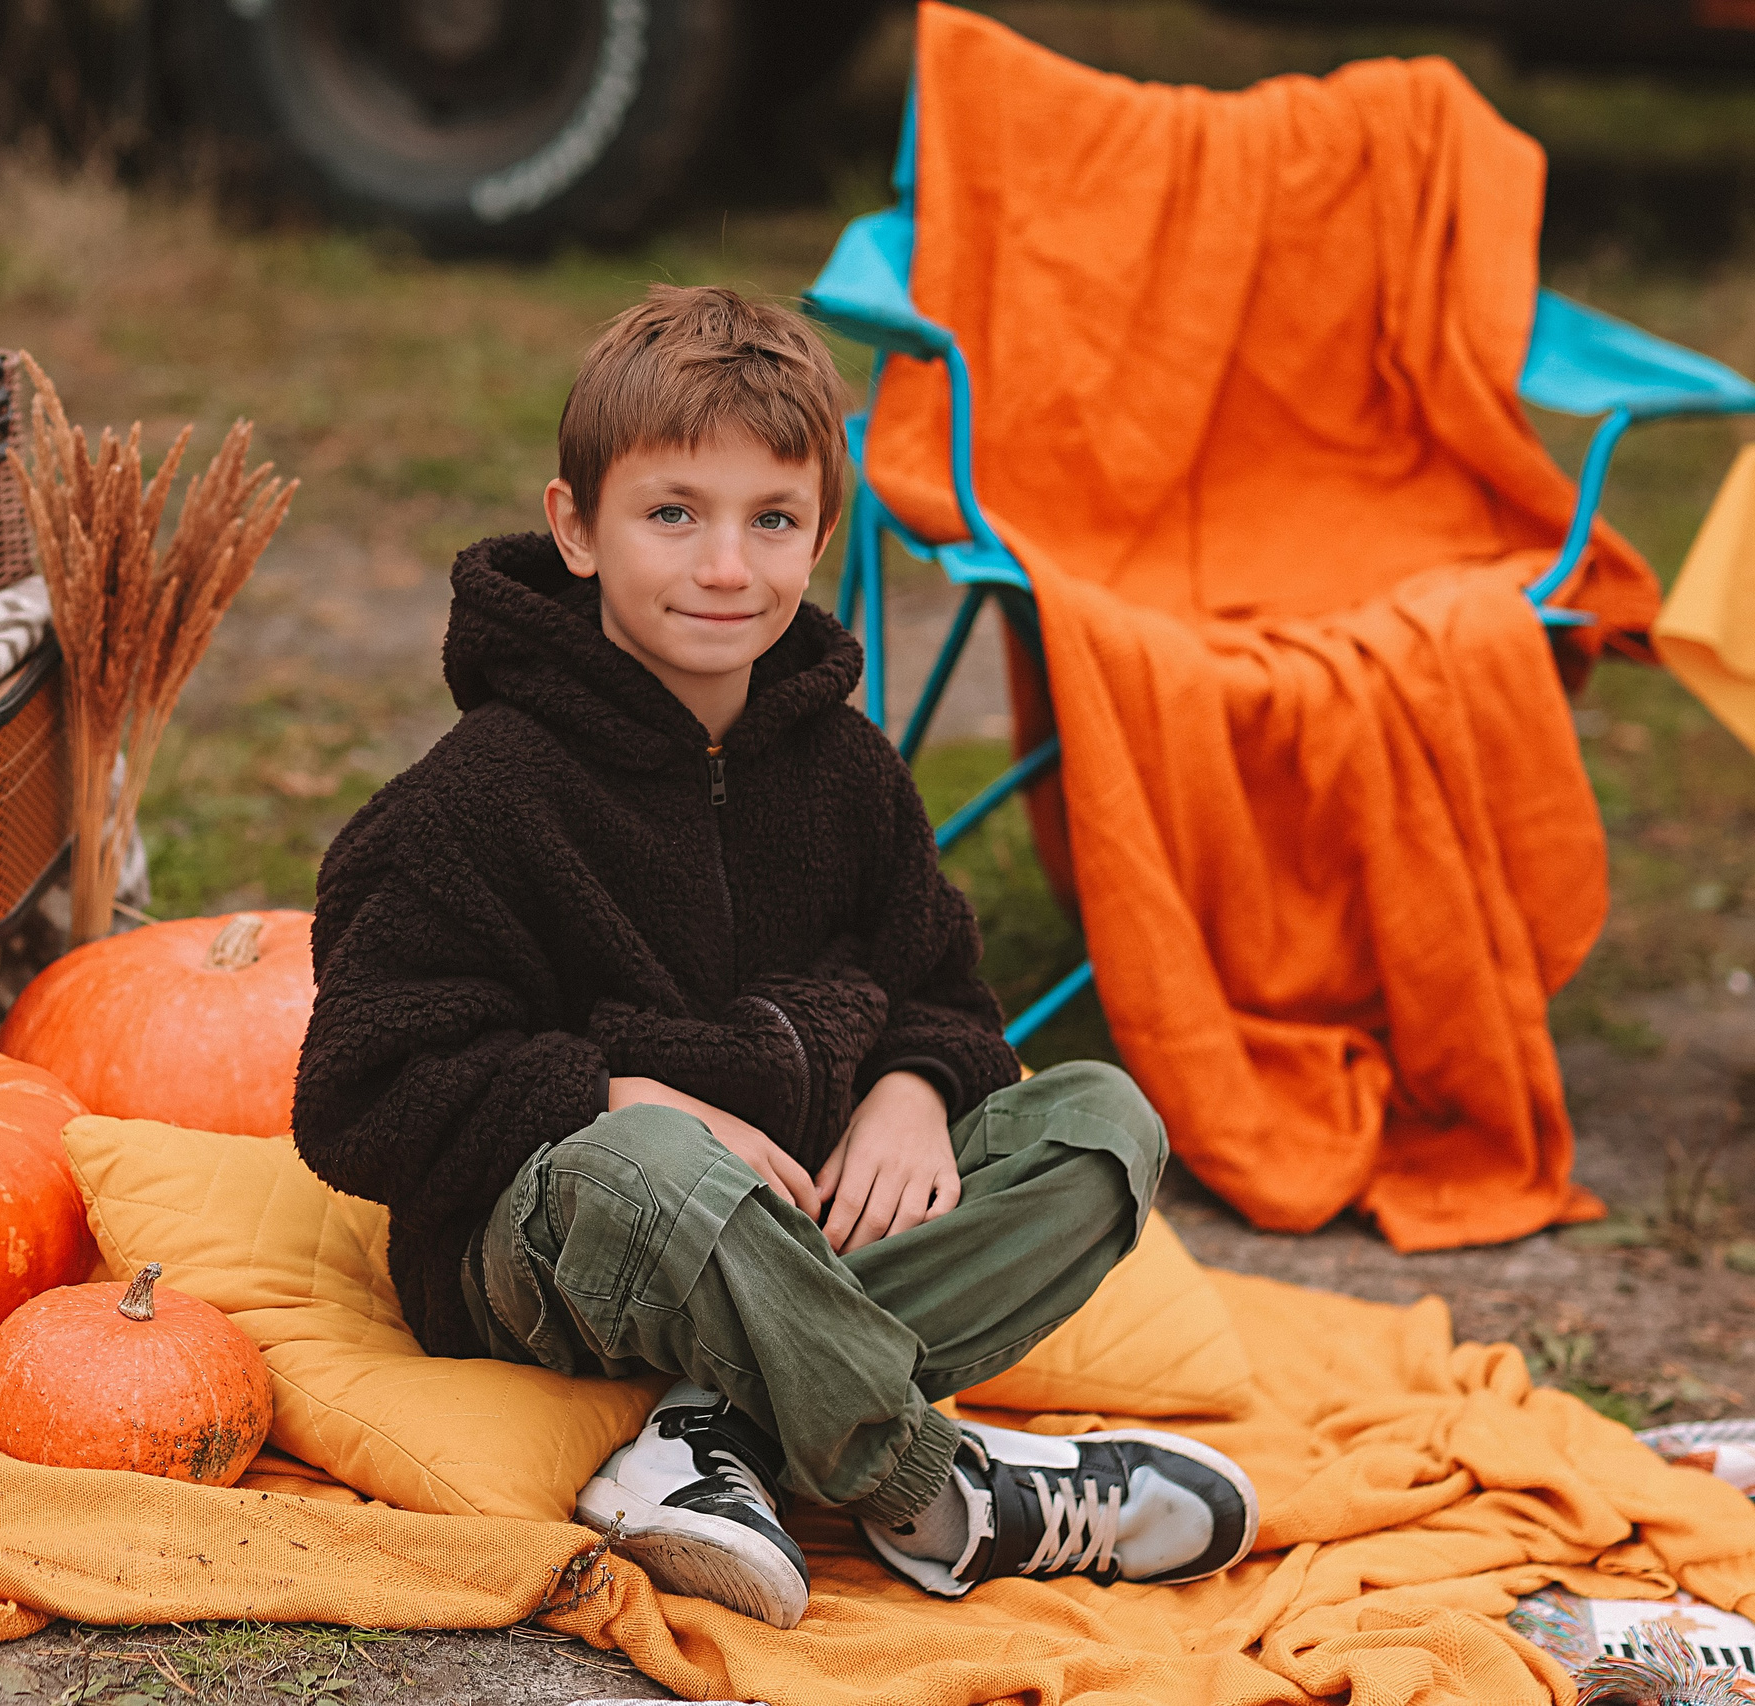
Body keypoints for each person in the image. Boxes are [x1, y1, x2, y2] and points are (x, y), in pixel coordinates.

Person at [291, 285, 1257, 1628]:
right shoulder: (486, 791)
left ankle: (710, 1439)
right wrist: (620, 1098)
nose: (725, 567)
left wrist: (915, 1093)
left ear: (821, 536)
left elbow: (947, 995)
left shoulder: (849, 772)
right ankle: (939, 1490)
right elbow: (359, 1085)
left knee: (1101, 1126)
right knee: (656, 1167)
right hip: (564, 1243)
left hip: (799, 1213)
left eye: (772, 520)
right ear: (577, 526)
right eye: (673, 513)